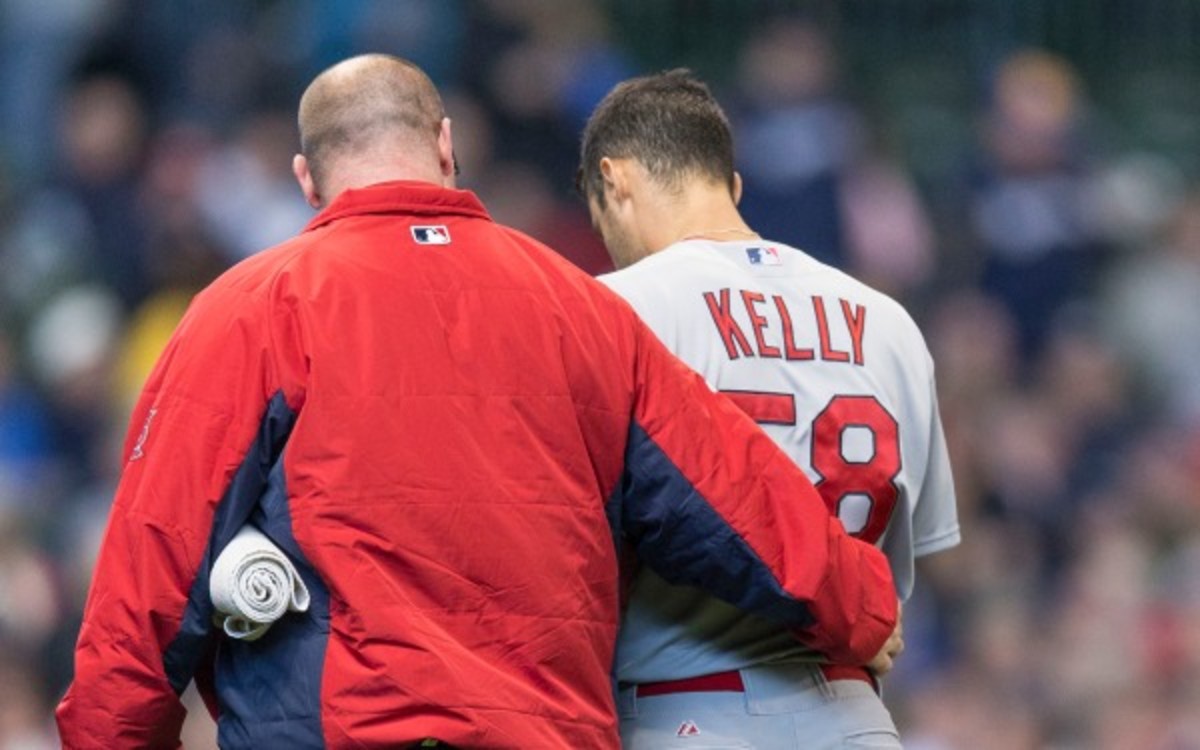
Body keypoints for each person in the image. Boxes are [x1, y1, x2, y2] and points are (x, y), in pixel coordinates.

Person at [55, 55, 901, 750]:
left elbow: (146, 589)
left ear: (308, 178)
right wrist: (861, 610)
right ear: (447, 146)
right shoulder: (582, 307)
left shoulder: (249, 311)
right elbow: (733, 498)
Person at [578, 69, 960, 749]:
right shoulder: (888, 320)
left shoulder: (614, 310)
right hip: (856, 716)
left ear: (616, 181)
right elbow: (906, 572)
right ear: (733, 186)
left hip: (679, 709)